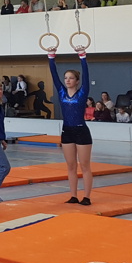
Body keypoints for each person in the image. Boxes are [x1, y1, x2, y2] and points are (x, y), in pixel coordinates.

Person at [48, 45, 93, 205]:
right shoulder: (61, 92)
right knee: (71, 166)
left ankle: (86, 197)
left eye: (71, 78)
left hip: (81, 131)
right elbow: (54, 75)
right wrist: (51, 57)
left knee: (85, 166)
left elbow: (86, 75)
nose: (67, 80)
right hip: (67, 131)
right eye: (66, 78)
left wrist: (82, 57)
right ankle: (73, 195)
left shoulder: (82, 92)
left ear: (77, 81)